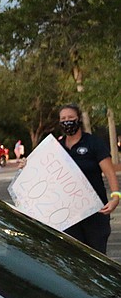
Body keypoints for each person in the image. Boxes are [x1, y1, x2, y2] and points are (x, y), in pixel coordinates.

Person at [21, 104, 120, 253]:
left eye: (70, 118)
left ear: (78, 119)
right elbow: (43, 172)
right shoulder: (56, 148)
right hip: (68, 216)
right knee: (73, 258)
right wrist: (27, 165)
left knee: (96, 258)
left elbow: (110, 172)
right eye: (63, 119)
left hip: (95, 213)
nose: (67, 121)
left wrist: (116, 197)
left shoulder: (93, 143)